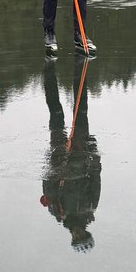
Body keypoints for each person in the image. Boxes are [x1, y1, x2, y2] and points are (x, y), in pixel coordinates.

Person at [40, 59, 102, 250]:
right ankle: (79, 70)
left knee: (56, 114)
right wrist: (93, 151)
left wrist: (55, 163)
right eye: (82, 235)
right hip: (81, 153)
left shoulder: (59, 213)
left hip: (60, 158)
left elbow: (48, 187)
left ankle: (49, 74)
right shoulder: (91, 207)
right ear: (86, 231)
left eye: (77, 237)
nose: (78, 233)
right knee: (81, 111)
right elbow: (96, 179)